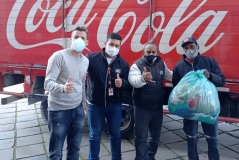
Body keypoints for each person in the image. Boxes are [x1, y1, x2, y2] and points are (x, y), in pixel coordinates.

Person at [172, 37, 225, 160]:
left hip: (208, 107)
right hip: (189, 108)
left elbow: (221, 80)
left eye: (192, 47)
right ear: (183, 51)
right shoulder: (179, 66)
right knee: (191, 139)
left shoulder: (209, 62)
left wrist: (210, 76)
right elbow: (176, 87)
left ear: (197, 47)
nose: (189, 50)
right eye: (186, 48)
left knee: (212, 139)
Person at [44, 26, 89, 160]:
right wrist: (63, 88)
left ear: (87, 42)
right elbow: (47, 83)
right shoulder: (59, 56)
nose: (79, 40)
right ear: (71, 39)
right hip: (59, 110)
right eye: (76, 37)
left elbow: (81, 83)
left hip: (78, 110)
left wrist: (84, 103)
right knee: (56, 152)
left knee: (74, 149)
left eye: (82, 38)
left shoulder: (85, 61)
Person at [86, 32, 131, 160]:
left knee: (116, 134)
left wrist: (122, 83)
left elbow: (128, 84)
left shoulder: (123, 64)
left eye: (117, 45)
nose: (114, 47)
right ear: (105, 44)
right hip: (95, 105)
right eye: (111, 44)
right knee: (95, 135)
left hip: (114, 105)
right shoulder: (91, 58)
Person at [128, 42, 173, 160]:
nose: (151, 54)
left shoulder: (161, 64)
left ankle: (150, 156)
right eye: (148, 52)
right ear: (143, 53)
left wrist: (186, 77)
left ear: (157, 53)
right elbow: (133, 81)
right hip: (142, 108)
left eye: (153, 52)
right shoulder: (136, 65)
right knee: (141, 137)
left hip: (157, 108)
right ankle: (141, 158)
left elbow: (171, 76)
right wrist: (143, 78)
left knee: (155, 137)